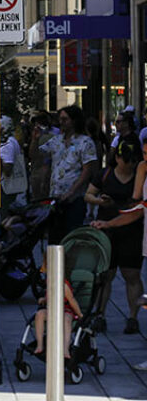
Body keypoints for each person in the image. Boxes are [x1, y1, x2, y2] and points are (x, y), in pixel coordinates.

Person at [89, 135, 145, 334]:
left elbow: (136, 209)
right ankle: (100, 314)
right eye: (126, 160)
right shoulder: (106, 175)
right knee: (105, 275)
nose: (130, 164)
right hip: (108, 231)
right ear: (118, 158)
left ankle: (132, 317)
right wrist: (100, 203)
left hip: (131, 231)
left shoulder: (140, 174)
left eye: (134, 160)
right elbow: (89, 194)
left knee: (132, 274)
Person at [41, 105, 98, 244]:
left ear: (74, 121)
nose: (61, 122)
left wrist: (72, 191)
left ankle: (70, 264)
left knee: (71, 236)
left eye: (65, 119)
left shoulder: (85, 142)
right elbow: (36, 155)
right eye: (60, 119)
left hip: (75, 199)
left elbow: (87, 170)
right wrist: (34, 139)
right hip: (55, 197)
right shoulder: (56, 140)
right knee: (55, 237)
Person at [33, 268, 83, 356]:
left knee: (66, 319)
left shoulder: (64, 285)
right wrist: (44, 299)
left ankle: (65, 348)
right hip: (52, 310)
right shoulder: (49, 282)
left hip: (65, 309)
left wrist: (79, 314)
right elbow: (50, 296)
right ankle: (40, 345)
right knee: (39, 315)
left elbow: (72, 301)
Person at [0, 116, 28, 213]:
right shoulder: (12, 140)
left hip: (7, 188)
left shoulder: (7, 144)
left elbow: (7, 169)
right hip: (12, 188)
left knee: (5, 213)